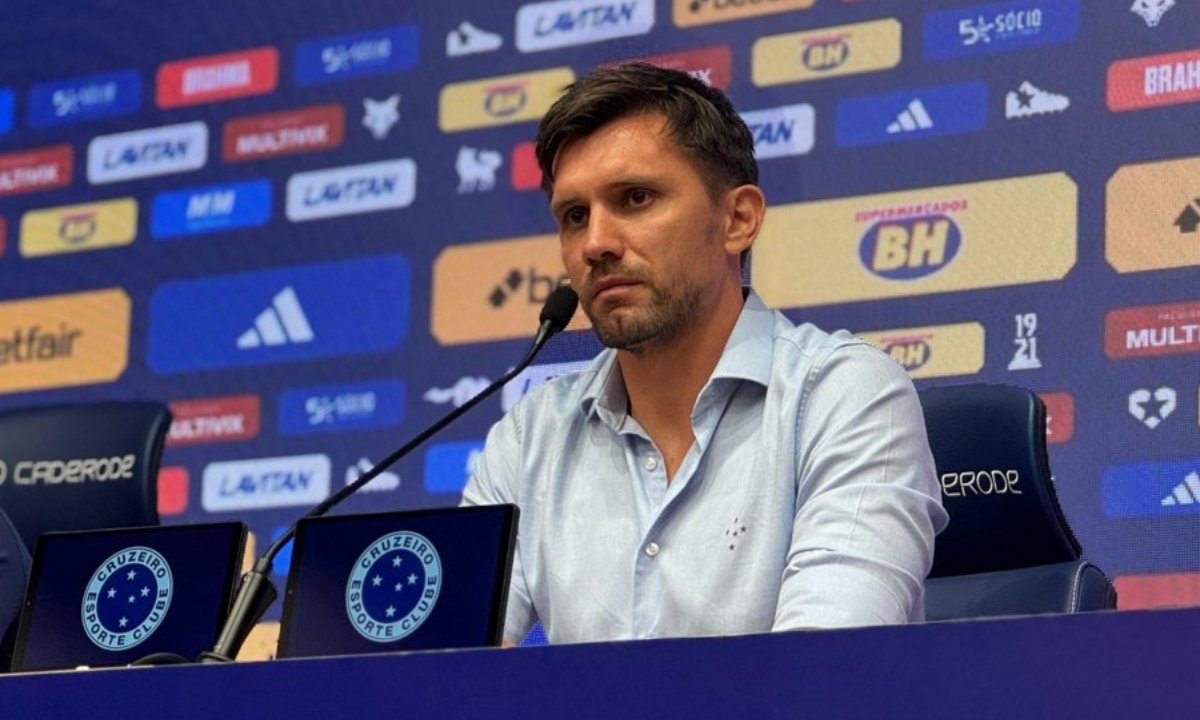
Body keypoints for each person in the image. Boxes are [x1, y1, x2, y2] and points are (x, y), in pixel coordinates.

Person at [461, 62, 948, 645]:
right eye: (574, 216)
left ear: (738, 220)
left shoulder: (843, 396)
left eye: (636, 198)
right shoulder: (529, 436)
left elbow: (822, 671)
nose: (595, 244)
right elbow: (441, 672)